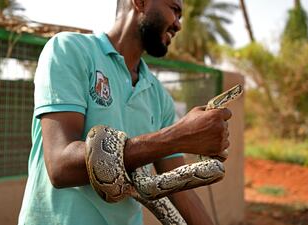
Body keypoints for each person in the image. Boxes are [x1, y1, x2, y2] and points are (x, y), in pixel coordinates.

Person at [18, 0, 232, 224]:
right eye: (174, 10)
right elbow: (61, 167)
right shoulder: (70, 50)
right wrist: (176, 137)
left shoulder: (158, 95)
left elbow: (181, 189)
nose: (178, 25)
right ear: (139, 2)